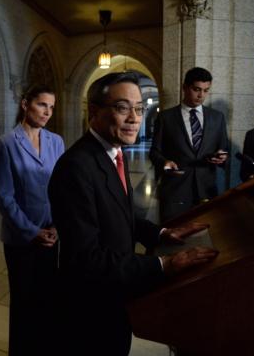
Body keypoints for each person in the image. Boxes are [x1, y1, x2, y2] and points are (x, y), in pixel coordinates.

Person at [48, 72, 219, 356]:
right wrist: (163, 265)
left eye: (139, 109)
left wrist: (161, 232)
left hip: (115, 293)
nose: (134, 118)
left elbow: (120, 215)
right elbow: (87, 259)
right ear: (94, 112)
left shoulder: (115, 152)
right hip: (90, 307)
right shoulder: (76, 167)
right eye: (122, 107)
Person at [0, 85, 65, 356]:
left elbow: (61, 188)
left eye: (51, 107)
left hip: (52, 235)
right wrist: (33, 231)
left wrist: (58, 226)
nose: (47, 112)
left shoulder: (56, 141)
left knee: (48, 300)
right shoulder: (7, 143)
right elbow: (4, 196)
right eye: (42, 105)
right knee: (24, 303)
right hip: (22, 238)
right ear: (25, 104)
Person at [150, 67, 229, 222]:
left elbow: (225, 150)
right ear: (184, 87)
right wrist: (165, 162)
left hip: (207, 191)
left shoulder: (217, 118)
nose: (201, 95)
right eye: (196, 89)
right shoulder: (166, 118)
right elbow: (154, 152)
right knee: (174, 239)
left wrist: (222, 158)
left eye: (206, 90)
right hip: (175, 191)